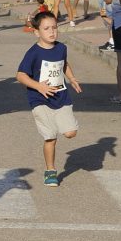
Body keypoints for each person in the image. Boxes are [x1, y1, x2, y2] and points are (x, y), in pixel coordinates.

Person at [16, 11, 82, 187]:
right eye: (46, 29)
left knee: (70, 133)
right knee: (50, 137)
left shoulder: (61, 48)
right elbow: (21, 75)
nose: (52, 32)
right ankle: (50, 171)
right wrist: (39, 86)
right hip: (39, 99)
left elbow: (64, 64)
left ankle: (60, 125)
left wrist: (72, 78)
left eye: (54, 27)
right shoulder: (34, 53)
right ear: (37, 32)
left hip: (61, 96)